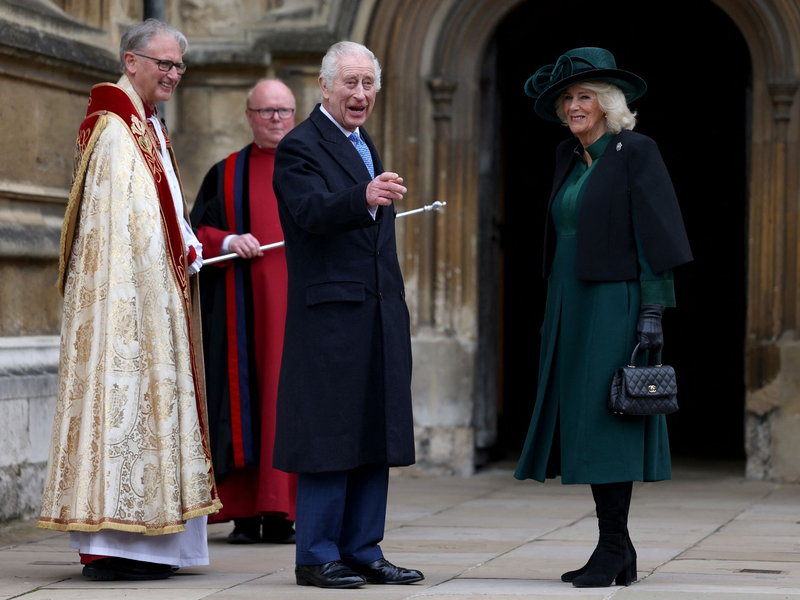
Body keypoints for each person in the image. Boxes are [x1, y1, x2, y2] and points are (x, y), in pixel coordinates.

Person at [37, 19, 221, 580]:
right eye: (163, 63)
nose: (173, 74)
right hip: (129, 306)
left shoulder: (146, 123)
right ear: (131, 61)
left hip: (155, 296)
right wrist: (170, 260)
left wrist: (188, 245)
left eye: (178, 66)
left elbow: (161, 210)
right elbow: (124, 228)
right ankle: (119, 547)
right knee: (123, 407)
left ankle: (151, 546)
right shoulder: (118, 131)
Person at [513, 47, 692, 588]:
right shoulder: (568, 157)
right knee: (584, 424)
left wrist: (653, 309)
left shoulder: (636, 150)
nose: (573, 106)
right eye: (567, 98)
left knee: (608, 423)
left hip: (615, 303)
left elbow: (656, 234)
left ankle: (613, 546)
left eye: (584, 96)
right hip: (569, 302)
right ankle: (619, 547)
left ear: (609, 104)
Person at [272, 41, 424, 589]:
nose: (360, 94)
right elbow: (309, 210)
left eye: (368, 84)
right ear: (325, 85)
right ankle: (316, 554)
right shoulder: (300, 145)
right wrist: (363, 195)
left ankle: (363, 549)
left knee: (373, 433)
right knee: (329, 436)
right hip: (330, 320)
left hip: (377, 313)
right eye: (350, 83)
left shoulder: (363, 143)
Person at [190, 79, 298, 545]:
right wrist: (229, 240)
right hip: (241, 316)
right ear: (249, 116)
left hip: (299, 314)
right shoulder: (226, 173)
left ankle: (286, 513)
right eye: (266, 111)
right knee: (243, 406)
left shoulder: (313, 170)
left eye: (284, 110)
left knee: (290, 406)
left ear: (295, 114)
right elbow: (196, 233)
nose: (276, 119)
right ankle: (245, 515)